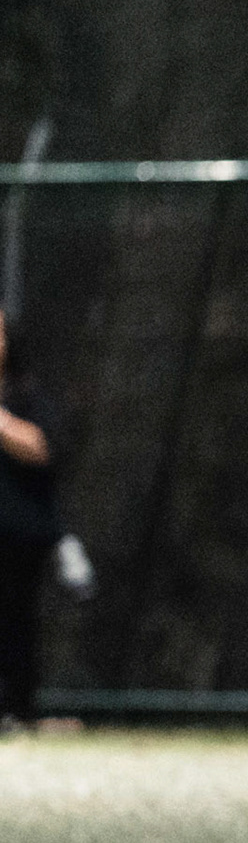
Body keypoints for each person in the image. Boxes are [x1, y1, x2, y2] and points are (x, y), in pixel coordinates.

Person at [0, 309, 61, 722]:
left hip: (16, 535)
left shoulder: (29, 397)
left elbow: (41, 447)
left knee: (16, 624)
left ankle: (18, 711)